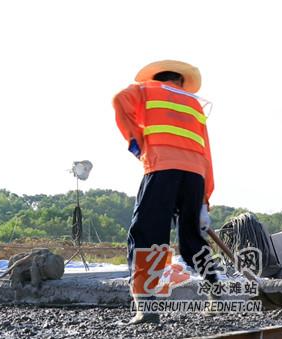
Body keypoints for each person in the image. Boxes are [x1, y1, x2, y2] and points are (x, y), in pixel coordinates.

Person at [113, 60, 217, 324]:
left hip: (162, 168)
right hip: (194, 176)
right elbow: (207, 154)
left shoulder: (147, 89)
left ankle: (146, 307)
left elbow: (119, 100)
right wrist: (205, 200)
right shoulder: (194, 105)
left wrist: (138, 142)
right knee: (193, 239)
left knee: (147, 234)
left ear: (158, 78)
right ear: (181, 81)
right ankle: (217, 295)